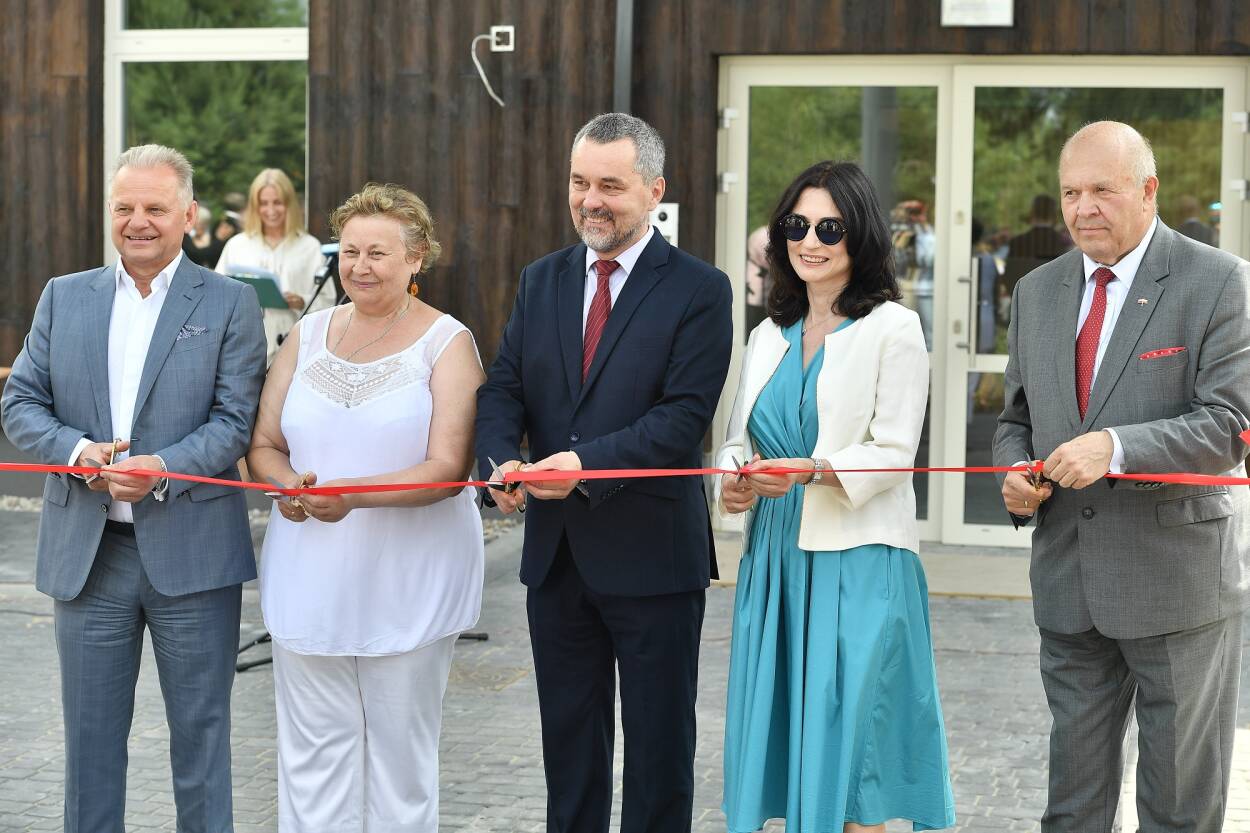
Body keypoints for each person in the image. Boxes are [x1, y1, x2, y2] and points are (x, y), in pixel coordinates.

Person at [475, 112, 732, 833]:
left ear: (654, 190)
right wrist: (500, 461)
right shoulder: (541, 279)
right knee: (570, 754)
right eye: (579, 182)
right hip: (557, 560)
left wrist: (585, 464)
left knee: (658, 755)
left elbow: (683, 418)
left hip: (654, 559)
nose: (591, 200)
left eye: (611, 186)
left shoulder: (700, 290)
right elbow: (503, 388)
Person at [0, 144, 266, 832]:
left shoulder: (230, 302)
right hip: (90, 558)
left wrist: (163, 467)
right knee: (89, 748)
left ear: (189, 214)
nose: (138, 221)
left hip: (194, 554)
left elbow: (235, 420)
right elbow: (20, 401)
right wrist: (76, 450)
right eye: (125, 207)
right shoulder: (64, 296)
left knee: (201, 743)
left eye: (155, 207)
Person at [993, 121, 1250, 831]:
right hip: (1068, 586)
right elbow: (1016, 418)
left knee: (1178, 810)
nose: (1083, 209)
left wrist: (1116, 446)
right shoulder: (1036, 290)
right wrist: (1014, 474)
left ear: (1148, 190)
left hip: (1177, 588)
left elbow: (1230, 426)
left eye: (1102, 190)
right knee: (1072, 809)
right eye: (1071, 193)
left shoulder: (1219, 281)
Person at [717, 160, 955, 833]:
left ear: (861, 235)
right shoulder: (766, 334)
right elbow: (736, 439)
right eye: (797, 225)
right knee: (787, 741)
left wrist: (813, 470)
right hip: (775, 560)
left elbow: (895, 450)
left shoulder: (894, 327)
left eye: (830, 227)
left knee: (854, 760)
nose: (809, 241)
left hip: (858, 560)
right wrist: (735, 482)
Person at [247, 182, 484, 831]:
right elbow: (264, 444)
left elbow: (449, 468)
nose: (360, 266)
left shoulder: (447, 342)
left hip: (407, 579)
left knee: (400, 762)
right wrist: (286, 483)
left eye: (378, 253)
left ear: (416, 257)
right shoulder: (308, 334)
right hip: (309, 577)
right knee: (311, 758)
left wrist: (353, 495)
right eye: (350, 251)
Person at [216, 168, 330, 362]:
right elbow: (217, 295)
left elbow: (328, 301)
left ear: (289, 203)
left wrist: (302, 301)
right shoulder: (237, 245)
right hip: (243, 348)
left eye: (277, 202)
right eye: (263, 203)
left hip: (295, 348)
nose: (270, 210)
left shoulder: (309, 247)